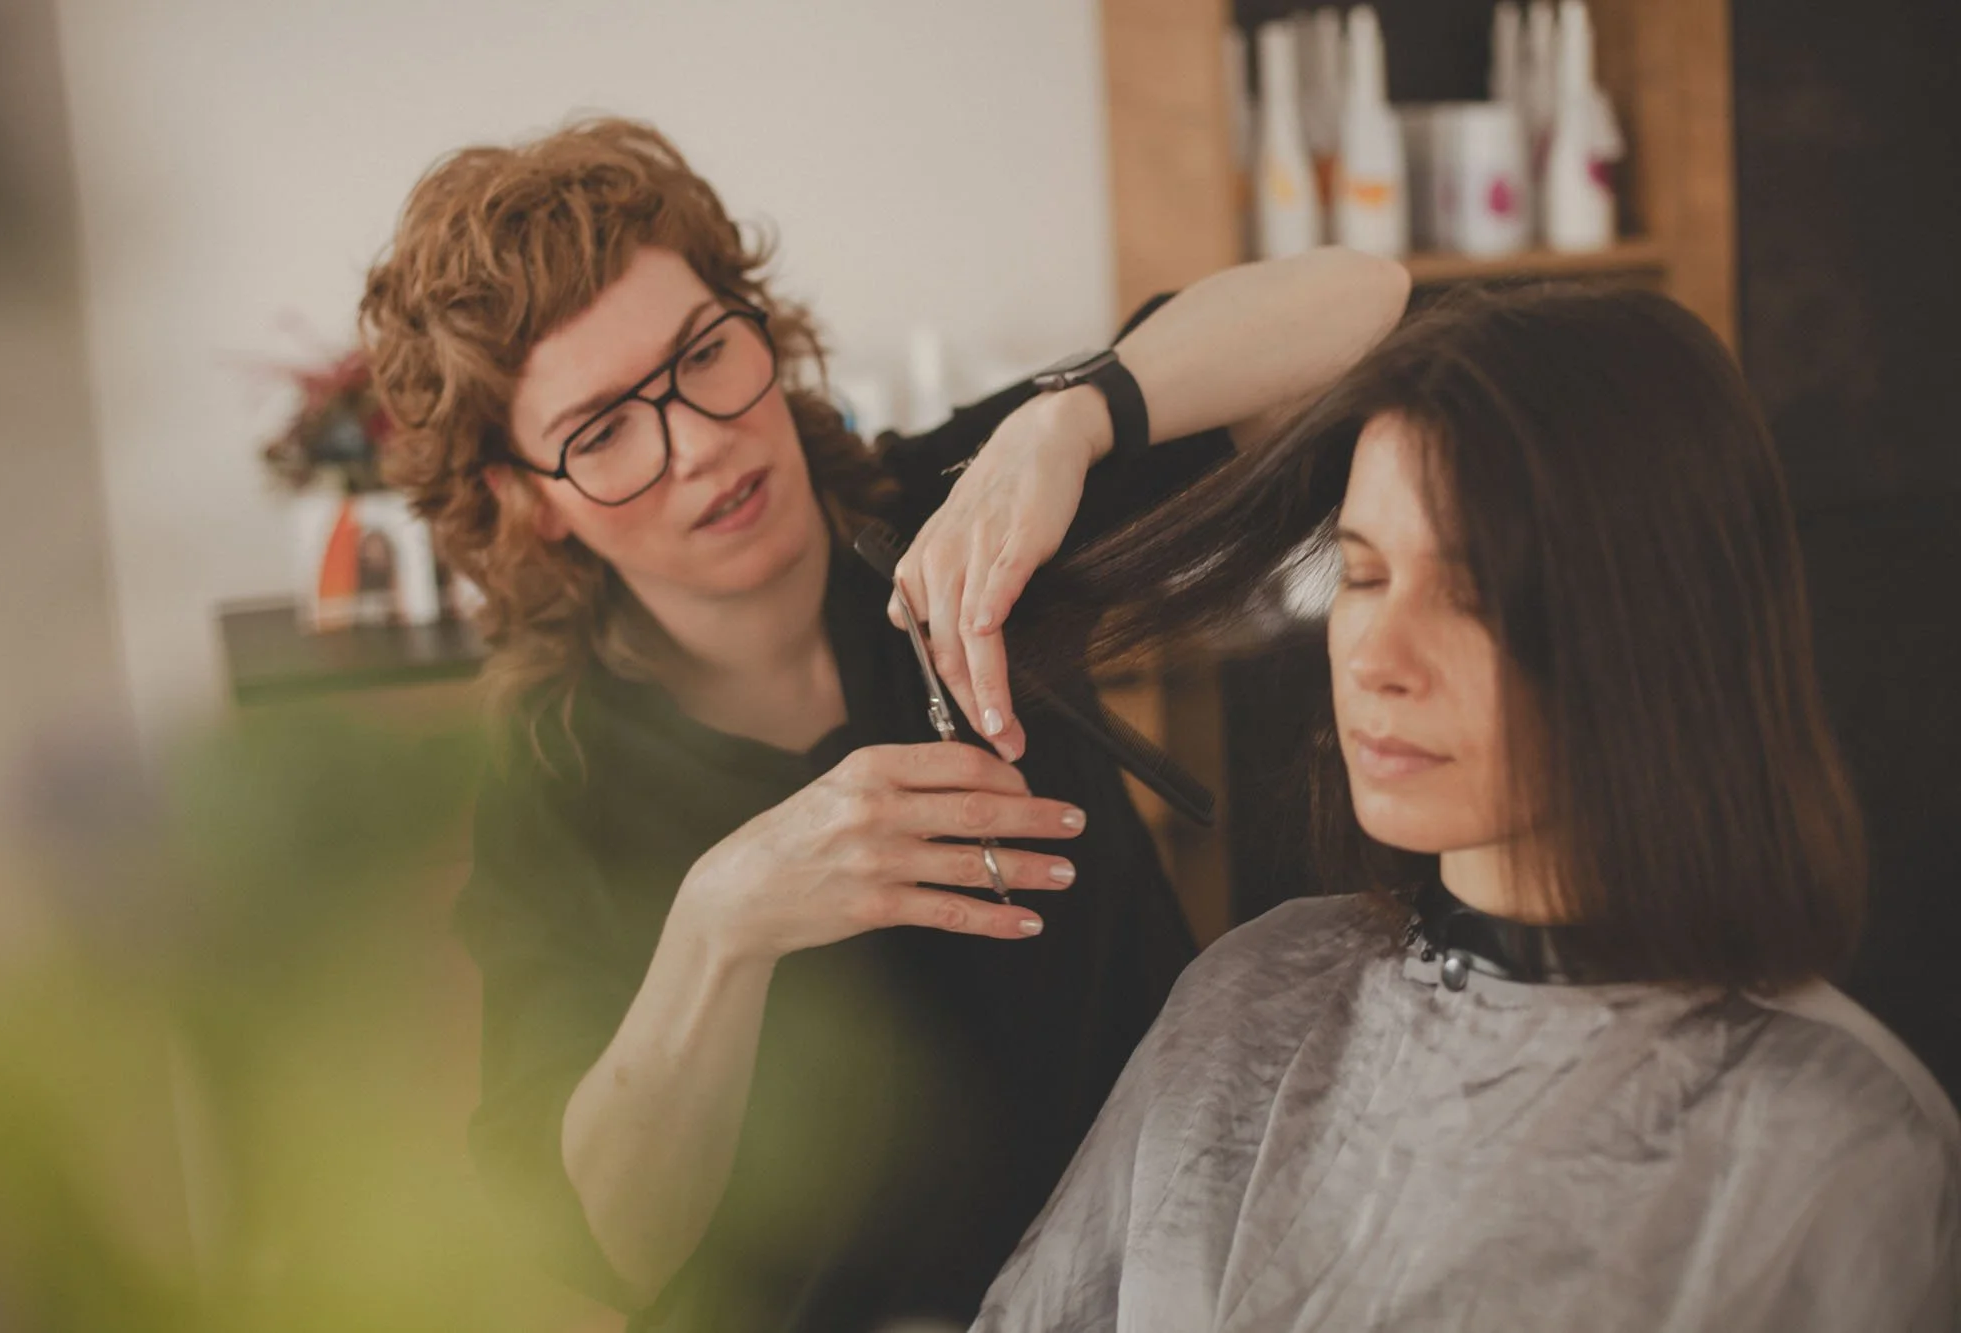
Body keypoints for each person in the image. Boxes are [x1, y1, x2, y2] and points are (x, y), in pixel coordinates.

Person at [356, 116, 1409, 1332]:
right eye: (601, 432)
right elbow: (612, 1243)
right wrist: (721, 927)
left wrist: (1068, 424)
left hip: (1163, 1277)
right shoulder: (557, 780)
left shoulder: (958, 514)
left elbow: (1365, 307)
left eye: (703, 353)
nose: (699, 442)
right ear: (525, 501)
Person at [971, 284, 1961, 1332]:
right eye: (1360, 575)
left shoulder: (1833, 1141)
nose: (1376, 660)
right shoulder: (1242, 1003)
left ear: (1651, 630)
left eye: (1467, 594)